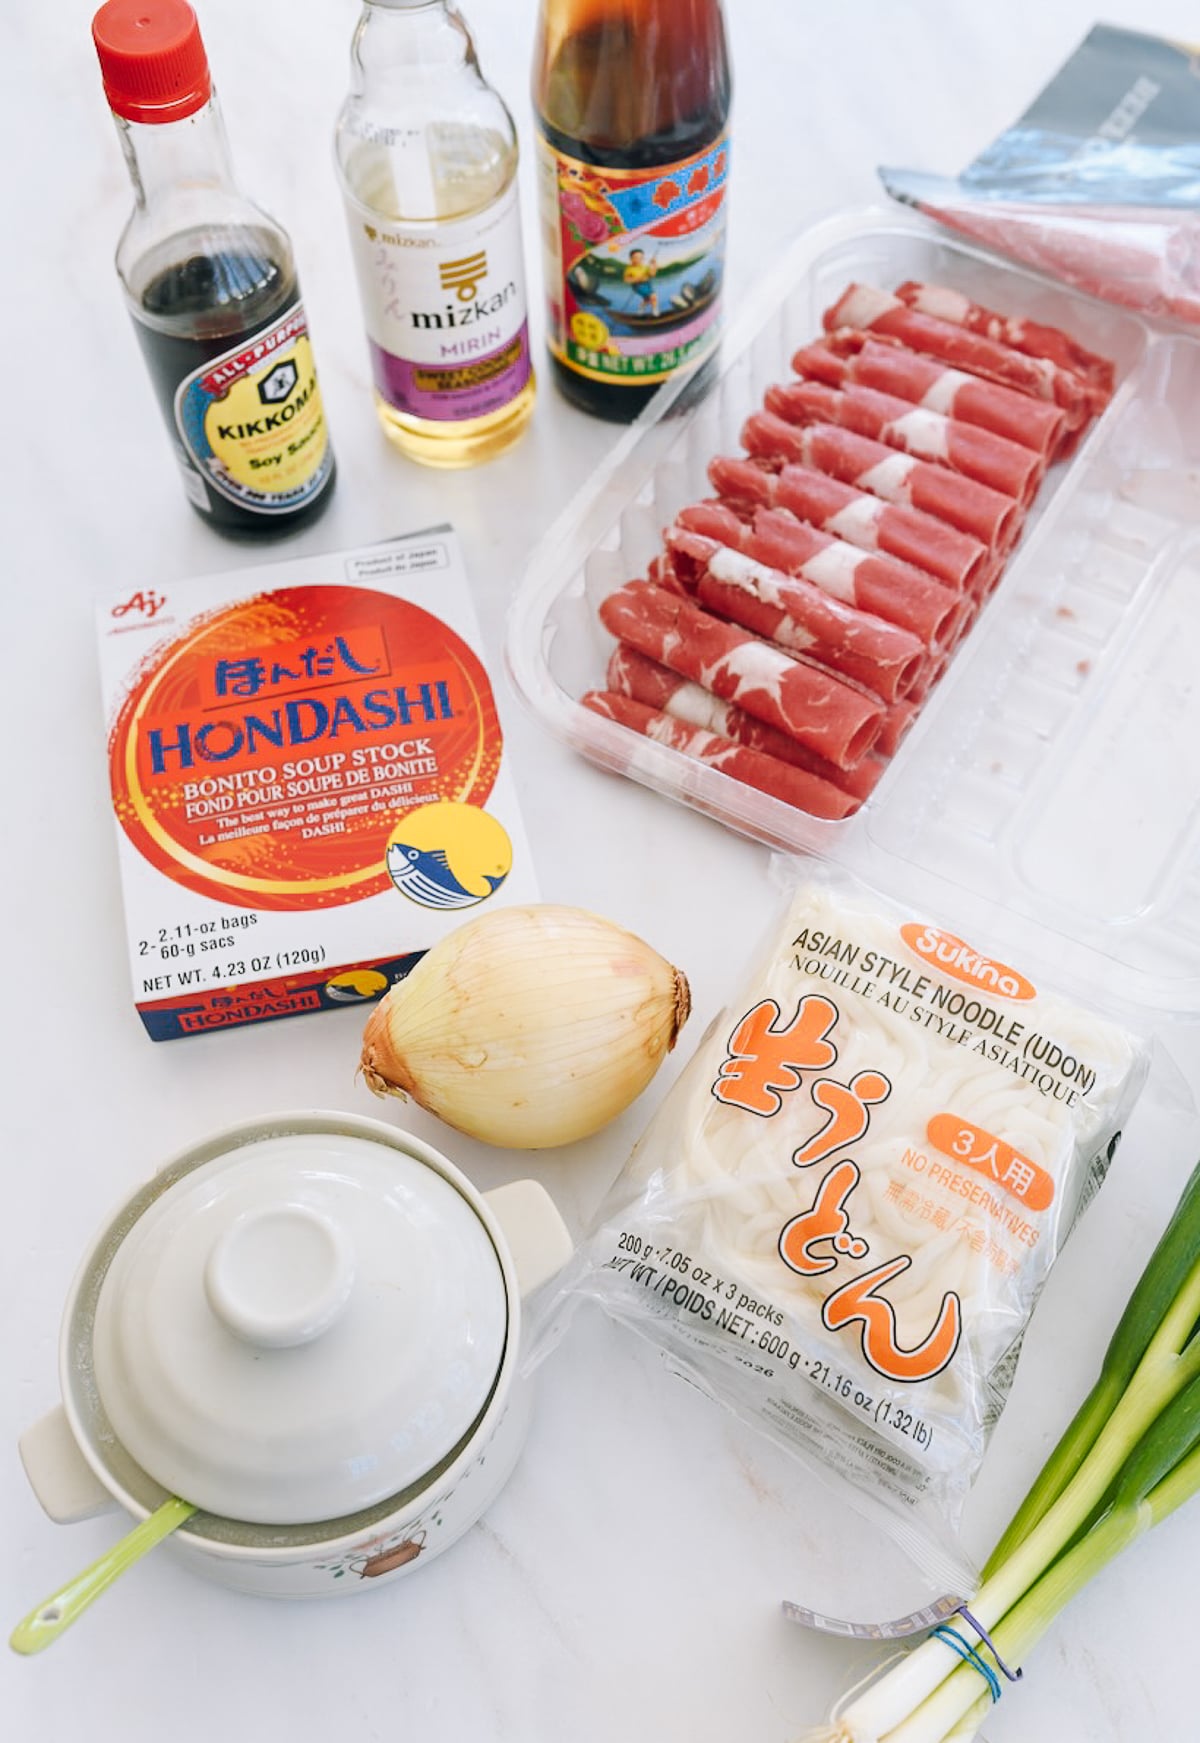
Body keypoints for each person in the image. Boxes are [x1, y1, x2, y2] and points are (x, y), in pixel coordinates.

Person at [622, 248, 659, 314]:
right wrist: (637, 278)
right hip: (638, 286)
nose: (639, 259)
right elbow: (626, 280)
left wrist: (654, 264)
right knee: (653, 296)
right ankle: (655, 310)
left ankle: (641, 308)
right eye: (636, 257)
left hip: (648, 284)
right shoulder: (629, 269)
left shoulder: (645, 267)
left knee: (647, 299)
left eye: (641, 258)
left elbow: (652, 274)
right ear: (631, 259)